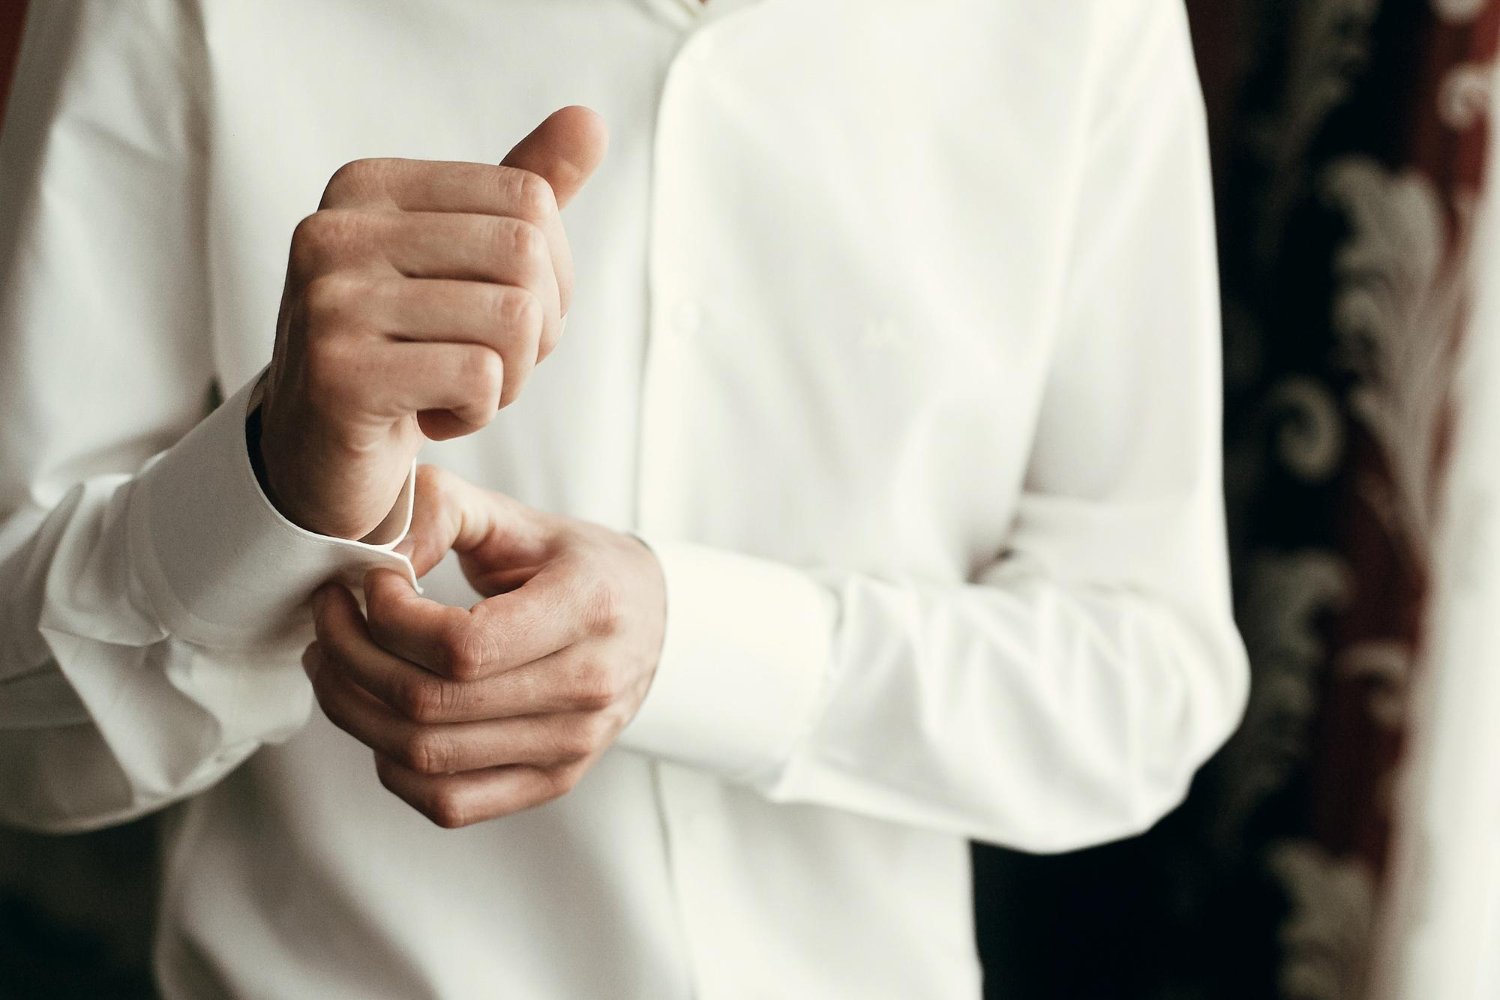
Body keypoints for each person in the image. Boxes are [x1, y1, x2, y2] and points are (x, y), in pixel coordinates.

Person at [0, 0, 1250, 996]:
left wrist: (690, 649)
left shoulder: (1085, 24)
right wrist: (274, 485)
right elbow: (20, 742)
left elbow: (1145, 671)